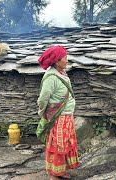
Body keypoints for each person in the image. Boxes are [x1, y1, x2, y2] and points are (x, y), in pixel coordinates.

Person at [37, 46, 80, 180]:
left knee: (66, 144)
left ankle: (61, 170)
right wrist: (42, 113)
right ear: (56, 61)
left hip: (66, 116)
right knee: (58, 146)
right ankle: (53, 174)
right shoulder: (51, 77)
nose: (67, 61)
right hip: (58, 118)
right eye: (65, 58)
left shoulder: (62, 72)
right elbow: (43, 98)